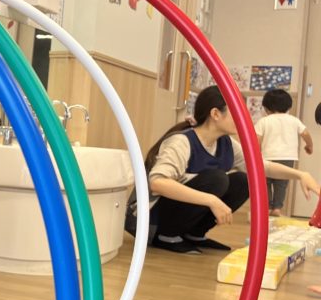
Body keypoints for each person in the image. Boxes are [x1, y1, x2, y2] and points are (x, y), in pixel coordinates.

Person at [129, 86, 319, 254]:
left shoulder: (225, 143)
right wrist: (211, 200)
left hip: (173, 213)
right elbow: (158, 183)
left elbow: (260, 166)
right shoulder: (182, 141)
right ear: (215, 114)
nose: (243, 119)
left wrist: (300, 174)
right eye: (236, 112)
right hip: (149, 221)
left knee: (243, 180)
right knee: (217, 179)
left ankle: (194, 234)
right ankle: (166, 236)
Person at [254, 88, 313, 216]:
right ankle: (277, 208)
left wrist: (256, 154)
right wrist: (309, 146)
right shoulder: (294, 120)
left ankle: (267, 207)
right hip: (287, 157)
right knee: (281, 184)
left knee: (264, 183)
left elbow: (256, 139)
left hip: (267, 158)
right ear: (288, 106)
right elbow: (305, 133)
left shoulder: (263, 121)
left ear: (266, 108)